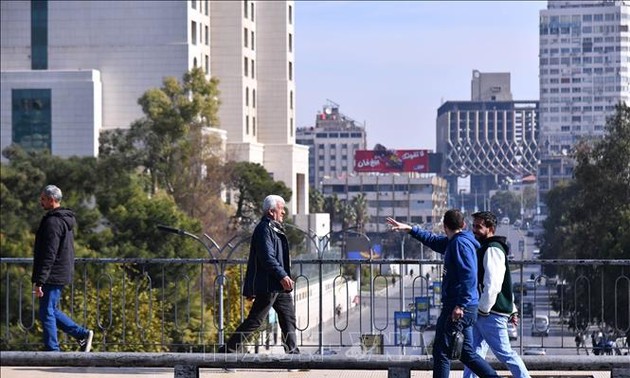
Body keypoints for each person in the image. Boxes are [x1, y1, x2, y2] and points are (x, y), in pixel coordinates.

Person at [387, 210, 499, 378]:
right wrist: (410, 229)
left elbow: (468, 276)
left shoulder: (459, 244)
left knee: (441, 352)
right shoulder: (457, 241)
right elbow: (433, 241)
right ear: (464, 225)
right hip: (464, 306)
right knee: (466, 353)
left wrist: (460, 305)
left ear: (445, 227)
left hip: (458, 307)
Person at [219, 195, 300, 355]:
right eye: (280, 208)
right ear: (271, 211)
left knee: (288, 318)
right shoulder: (264, 229)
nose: (283, 212)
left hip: (278, 286)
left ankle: (293, 355)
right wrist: (282, 275)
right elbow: (267, 257)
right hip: (270, 285)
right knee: (255, 321)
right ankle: (227, 351)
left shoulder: (274, 228)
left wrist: (282, 277)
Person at [463, 211, 530, 378]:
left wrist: (484, 309)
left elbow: (494, 285)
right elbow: (504, 286)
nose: (475, 230)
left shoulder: (492, 249)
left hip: (490, 313)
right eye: (474, 226)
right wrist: (511, 309)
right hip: (484, 311)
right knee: (474, 354)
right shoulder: (487, 247)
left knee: (505, 353)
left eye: (479, 227)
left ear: (490, 228)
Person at [31, 185, 93, 352]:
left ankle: (53, 351)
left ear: (52, 200)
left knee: (46, 312)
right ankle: (82, 335)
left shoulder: (53, 222)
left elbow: (49, 253)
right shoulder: (62, 219)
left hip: (53, 273)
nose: (40, 202)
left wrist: (40, 280)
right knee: (51, 310)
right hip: (59, 271)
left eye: (43, 199)